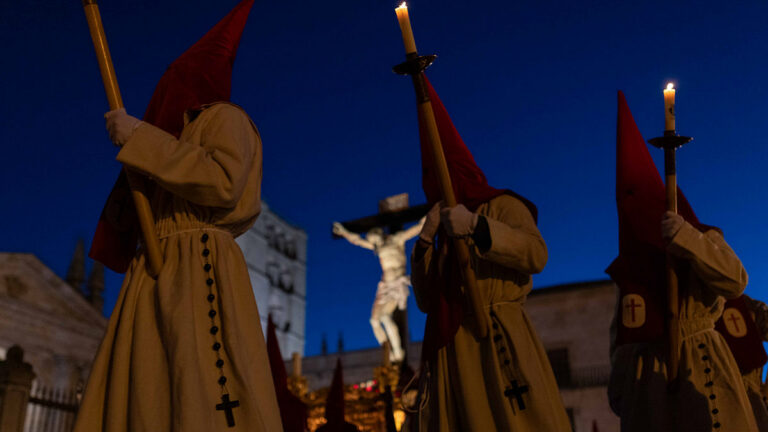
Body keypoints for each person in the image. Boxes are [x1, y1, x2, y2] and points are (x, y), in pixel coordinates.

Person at [74, 1, 282, 430]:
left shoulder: (226, 118)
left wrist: (142, 139)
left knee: (201, 381)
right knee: (147, 388)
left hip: (197, 259)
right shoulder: (174, 135)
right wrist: (139, 148)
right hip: (153, 266)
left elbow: (222, 181)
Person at [409, 77, 571, 432]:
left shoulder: (503, 205)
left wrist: (478, 227)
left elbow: (535, 254)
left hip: (499, 336)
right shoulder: (442, 234)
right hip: (453, 348)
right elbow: (425, 301)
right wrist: (424, 241)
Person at [607, 92, 757, 432]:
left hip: (702, 359)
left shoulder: (700, 237)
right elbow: (621, 335)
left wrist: (688, 240)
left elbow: (735, 281)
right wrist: (623, 385)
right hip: (649, 379)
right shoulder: (630, 268)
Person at [332, 218, 423, 362]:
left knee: (385, 317)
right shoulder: (378, 246)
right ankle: (387, 351)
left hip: (396, 284)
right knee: (374, 321)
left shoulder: (397, 239)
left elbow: (415, 230)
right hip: (384, 285)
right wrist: (344, 233)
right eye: (374, 243)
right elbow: (358, 241)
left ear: (380, 234)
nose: (375, 244)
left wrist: (427, 219)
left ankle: (397, 351)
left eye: (375, 240)